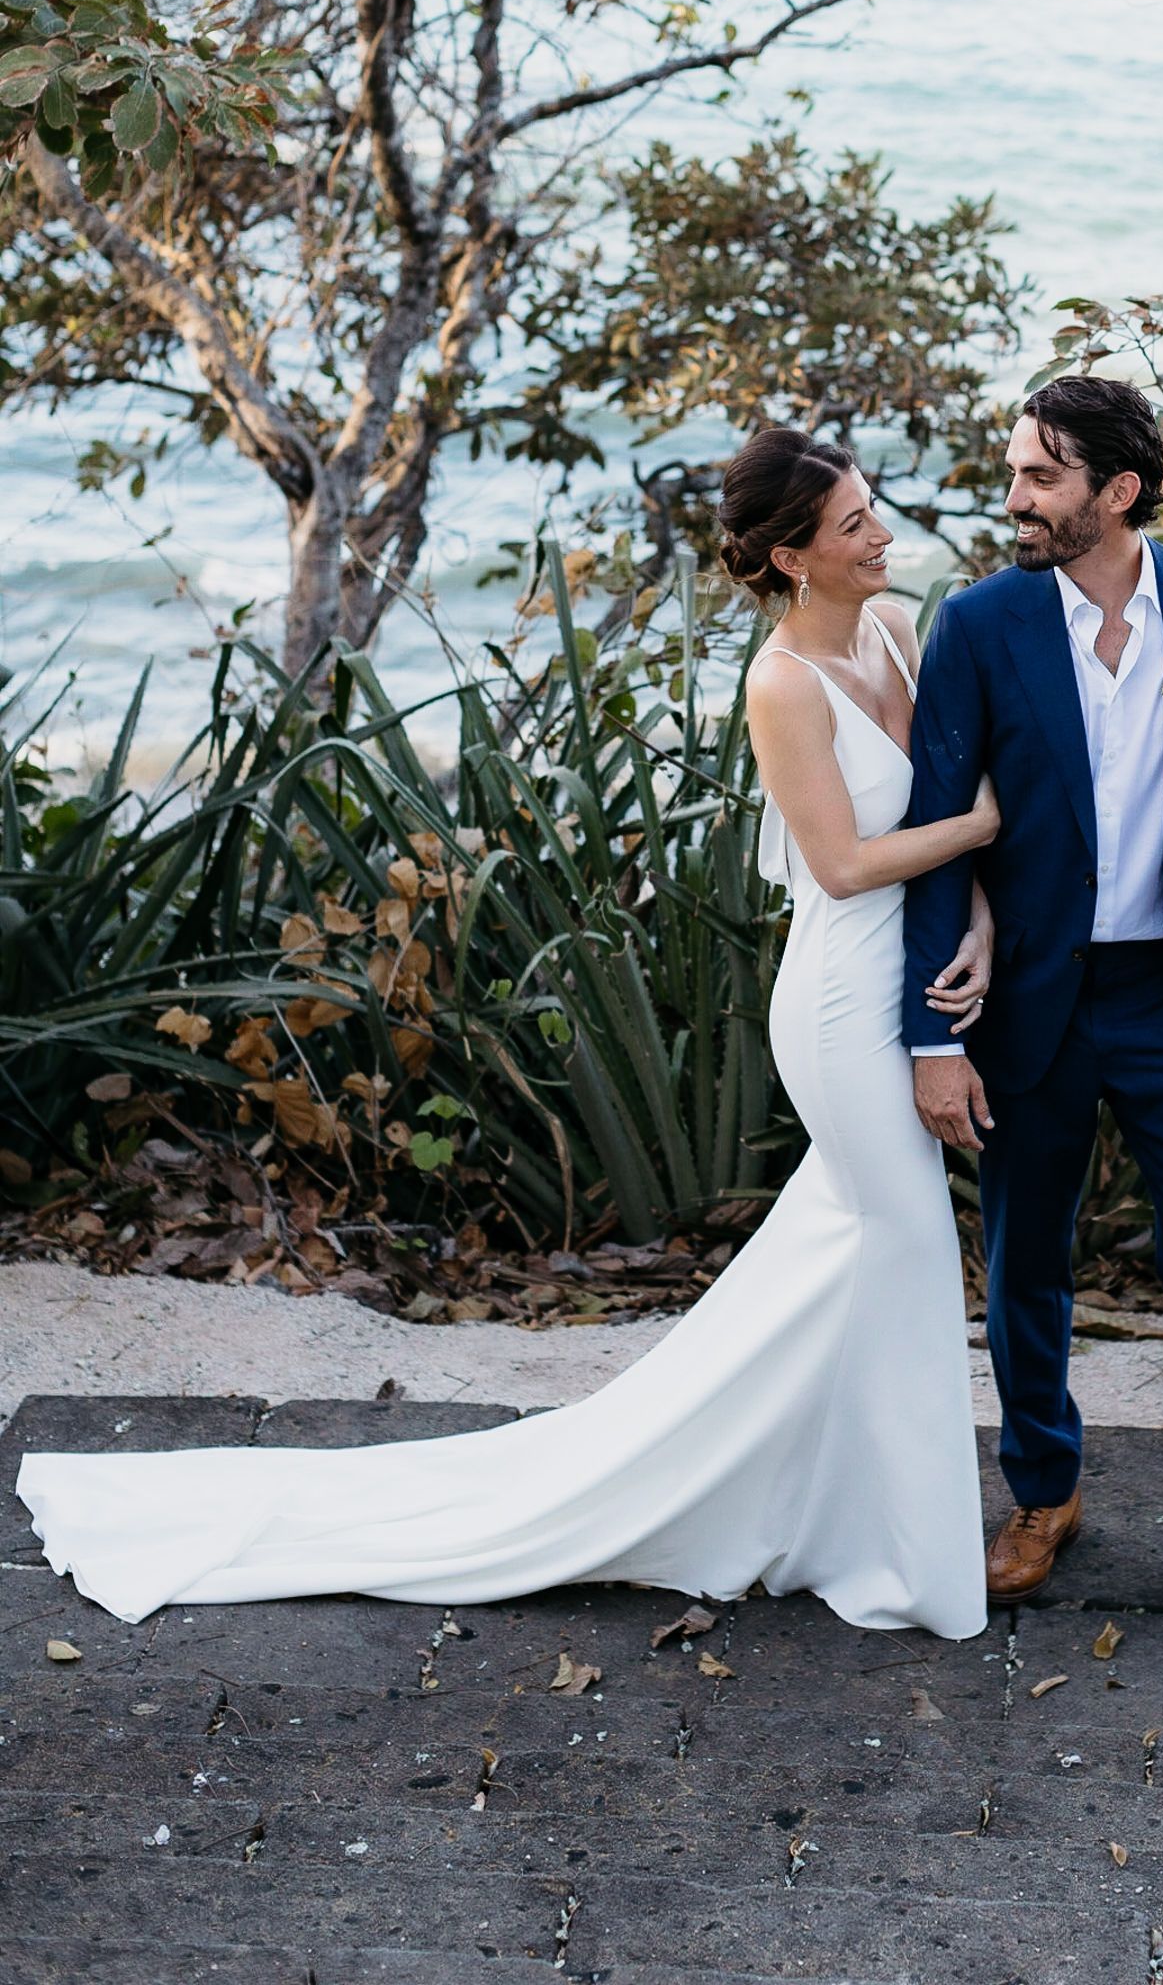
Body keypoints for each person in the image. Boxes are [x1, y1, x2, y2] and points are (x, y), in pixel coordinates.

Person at [17, 428, 996, 1638]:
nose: (881, 533)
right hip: (843, 1002)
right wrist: (985, 827)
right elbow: (844, 865)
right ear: (793, 557)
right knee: (900, 1250)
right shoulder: (782, 683)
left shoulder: (900, 632)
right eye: (853, 524)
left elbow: (936, 810)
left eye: (873, 510)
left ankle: (813, 1510)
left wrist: (984, 916)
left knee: (859, 1262)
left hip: (912, 978)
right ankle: (896, 1558)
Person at [903, 375, 1163, 1641]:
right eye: (1017, 471)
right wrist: (930, 1034)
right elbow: (933, 829)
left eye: (1039, 477)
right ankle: (1041, 1497)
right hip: (1031, 998)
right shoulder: (978, 624)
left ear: (1115, 492)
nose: (1013, 497)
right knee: (1028, 1258)